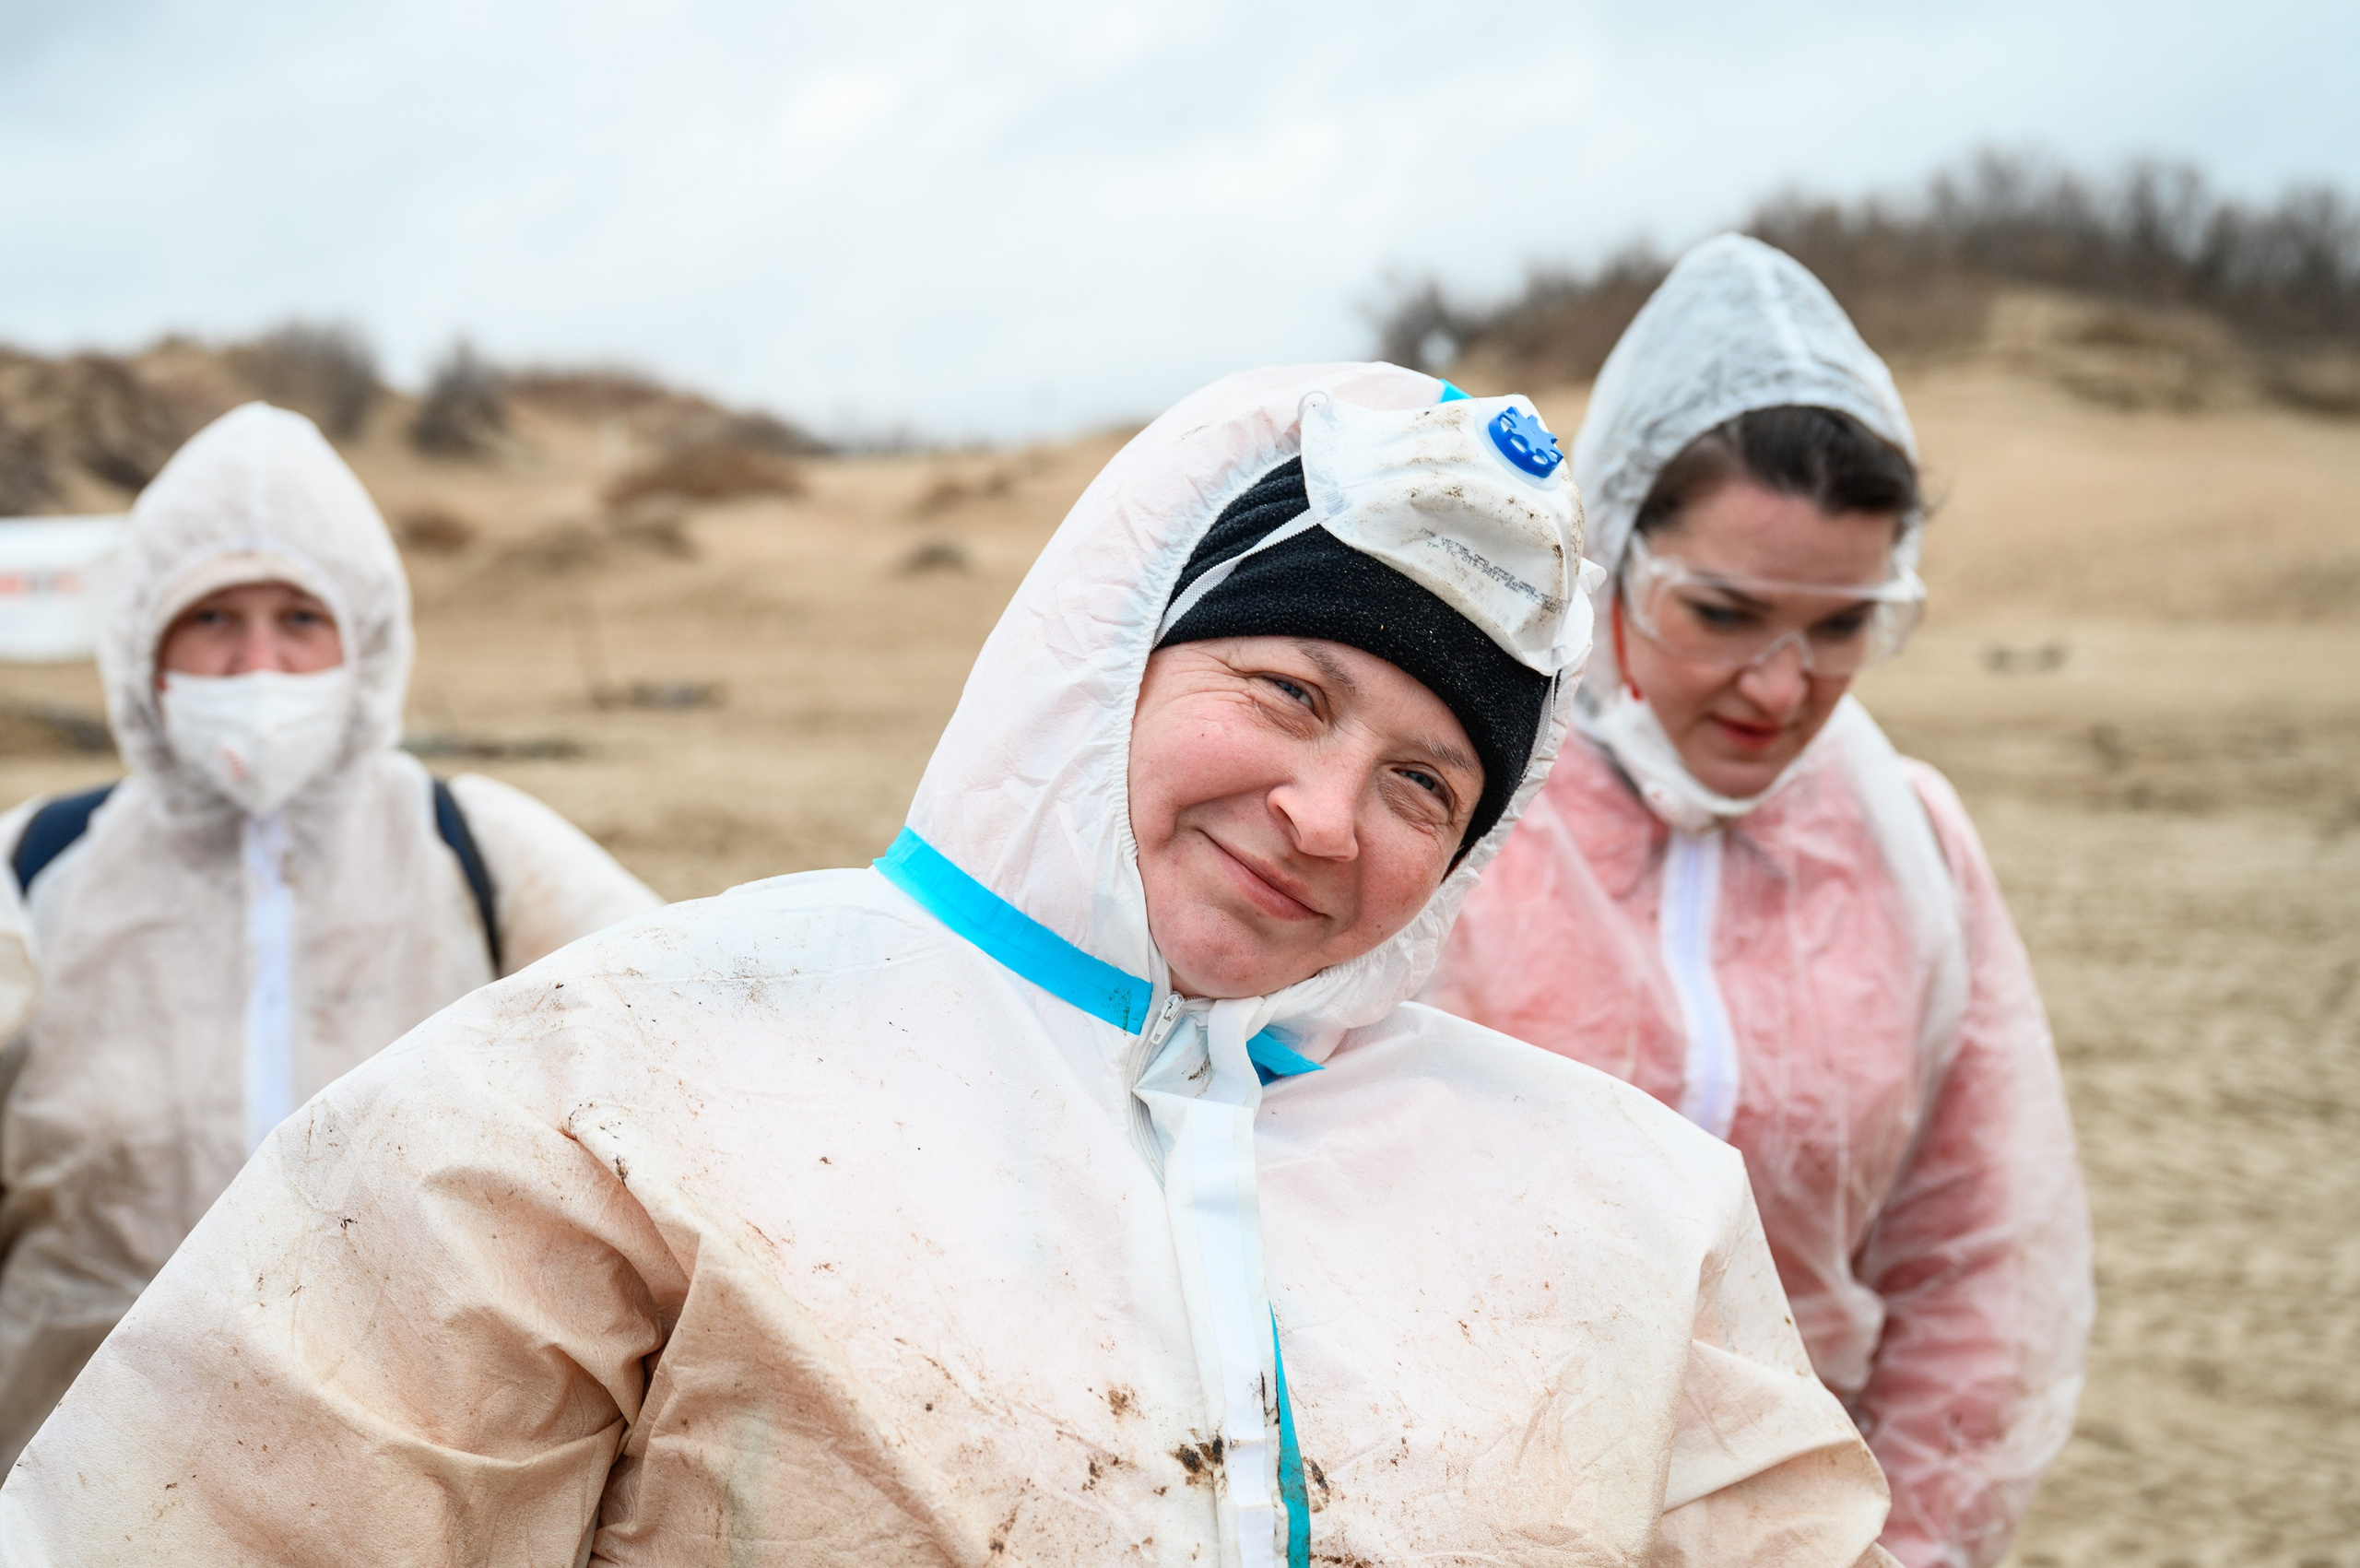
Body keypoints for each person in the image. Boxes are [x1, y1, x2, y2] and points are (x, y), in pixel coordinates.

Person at [0, 366, 1903, 1567]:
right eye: (1285, 689)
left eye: (1424, 776)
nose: (1328, 814)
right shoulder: (642, 1071)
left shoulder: (1616, 1214)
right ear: (1113, 670)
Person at [1422, 235, 2094, 1568]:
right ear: (1609, 551)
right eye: (1722, 612)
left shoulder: (1910, 847)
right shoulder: (1456, 800)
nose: (1780, 689)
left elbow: (1977, 1258)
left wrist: (1910, 1547)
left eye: (1842, 626)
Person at [0, 402, 663, 1468]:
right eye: (213, 619)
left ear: (365, 641)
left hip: (405, 1489)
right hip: (74, 1483)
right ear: (142, 646)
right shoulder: (35, 868)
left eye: (299, 621)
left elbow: (692, 1056)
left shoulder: (478, 851)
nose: (257, 666)